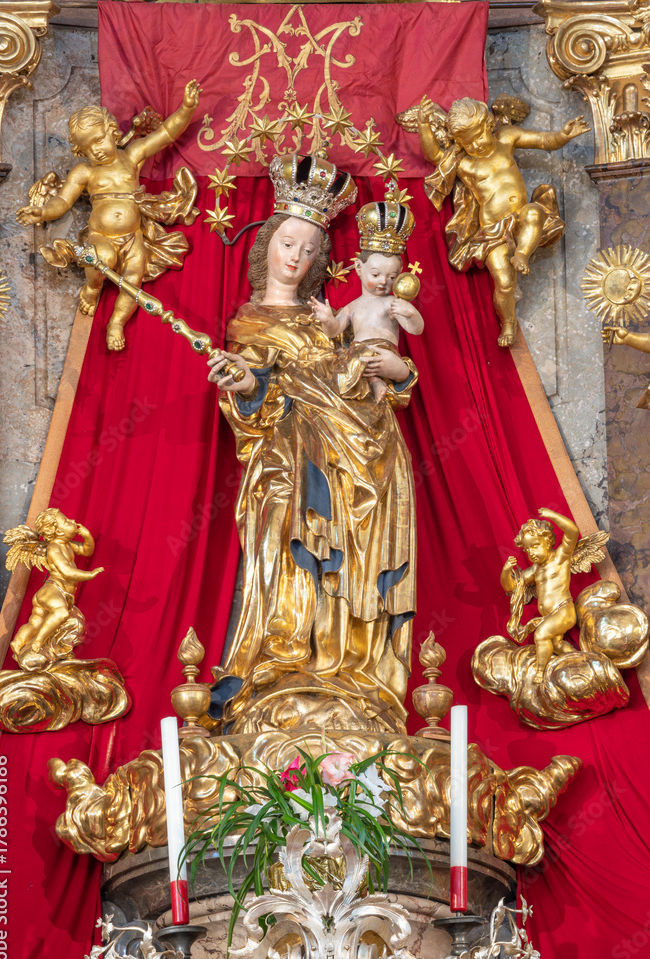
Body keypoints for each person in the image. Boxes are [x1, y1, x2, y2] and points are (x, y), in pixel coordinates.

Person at [206, 153, 418, 734]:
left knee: (354, 552)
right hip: (286, 459)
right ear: (267, 244)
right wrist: (247, 386)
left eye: (308, 249)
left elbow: (368, 377)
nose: (295, 257)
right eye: (287, 244)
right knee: (286, 548)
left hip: (360, 452)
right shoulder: (249, 320)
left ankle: (348, 666)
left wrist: (400, 374)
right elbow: (256, 399)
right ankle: (283, 660)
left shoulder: (332, 318)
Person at [16, 81, 201, 350]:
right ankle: (92, 287)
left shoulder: (132, 156)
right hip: (101, 236)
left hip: (134, 237)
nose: (97, 150)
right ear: (81, 151)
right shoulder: (85, 172)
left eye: (99, 140)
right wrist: (43, 211)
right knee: (101, 258)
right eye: (88, 148)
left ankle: (116, 322)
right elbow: (63, 201)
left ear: (112, 132)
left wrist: (187, 108)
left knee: (133, 279)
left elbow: (165, 134)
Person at [416, 95, 590, 346]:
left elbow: (543, 140)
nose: (475, 145)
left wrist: (563, 135)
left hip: (521, 218)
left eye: (478, 136)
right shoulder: (466, 165)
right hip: (491, 231)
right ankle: (508, 322)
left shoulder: (507, 138)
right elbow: (434, 155)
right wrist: (423, 125)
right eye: (467, 143)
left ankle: (522, 255)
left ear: (489, 125)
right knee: (505, 282)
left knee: (534, 212)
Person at [309, 199, 424, 401]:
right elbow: (335, 331)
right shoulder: (353, 306)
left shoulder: (391, 303)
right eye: (376, 275)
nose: (383, 282)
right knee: (341, 362)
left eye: (391, 277)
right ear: (359, 268)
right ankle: (374, 382)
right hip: (357, 352)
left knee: (360, 360)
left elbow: (415, 329)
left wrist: (411, 313)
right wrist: (327, 319)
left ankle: (375, 381)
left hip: (382, 349)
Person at [7, 509, 104, 667]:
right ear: (58, 531)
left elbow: (86, 551)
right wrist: (89, 574)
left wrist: (87, 536)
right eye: (66, 521)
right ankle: (38, 642)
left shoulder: (67, 545)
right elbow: (66, 571)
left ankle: (18, 642)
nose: (73, 521)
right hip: (53, 589)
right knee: (61, 613)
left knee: (35, 623)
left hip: (58, 593)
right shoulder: (54, 548)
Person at [501, 508, 579, 681]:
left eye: (535, 546)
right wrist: (506, 571)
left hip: (563, 610)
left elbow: (572, 532)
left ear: (548, 541)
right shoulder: (535, 570)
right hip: (549, 616)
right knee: (557, 645)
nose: (531, 552)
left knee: (541, 634)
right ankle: (580, 660)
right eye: (527, 549)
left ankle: (540, 673)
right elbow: (512, 587)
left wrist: (552, 515)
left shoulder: (560, 558)